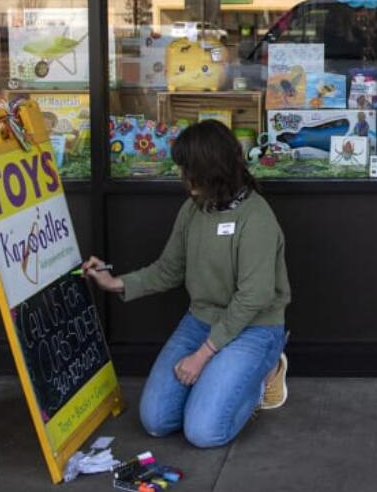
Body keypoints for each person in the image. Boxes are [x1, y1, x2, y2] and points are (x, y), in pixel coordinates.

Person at [82, 120, 291, 448]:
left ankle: (265, 376)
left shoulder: (256, 217)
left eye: (189, 170)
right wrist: (115, 283)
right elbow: (168, 270)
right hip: (201, 321)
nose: (183, 178)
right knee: (156, 421)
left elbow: (254, 297)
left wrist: (202, 356)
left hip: (254, 328)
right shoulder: (193, 209)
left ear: (214, 170)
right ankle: (219, 378)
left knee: (204, 432)